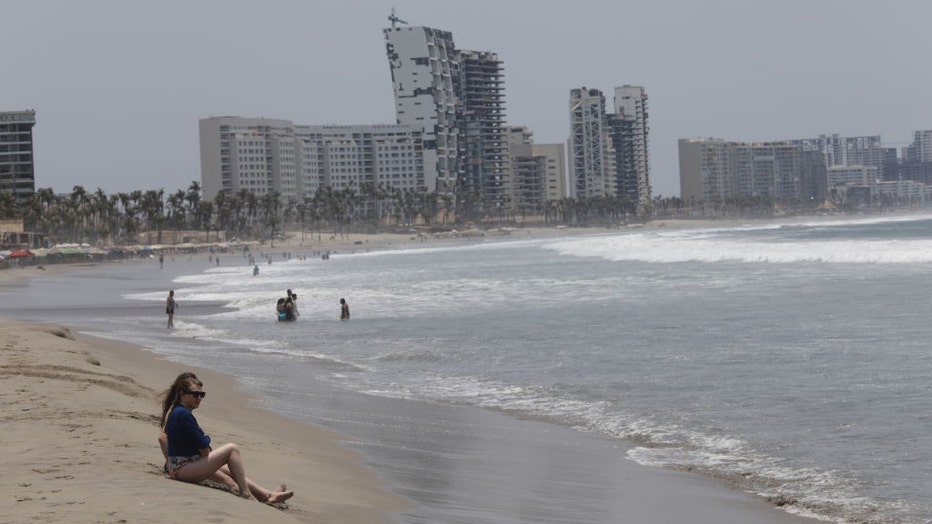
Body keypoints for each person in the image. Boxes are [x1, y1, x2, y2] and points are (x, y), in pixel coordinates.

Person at [158, 372, 293, 503]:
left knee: (230, 470)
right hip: (183, 469)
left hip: (181, 466)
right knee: (231, 450)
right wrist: (204, 442)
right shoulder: (183, 415)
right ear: (182, 394)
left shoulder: (177, 411)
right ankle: (246, 494)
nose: (199, 398)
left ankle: (267, 495)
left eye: (201, 394)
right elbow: (204, 450)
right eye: (195, 394)